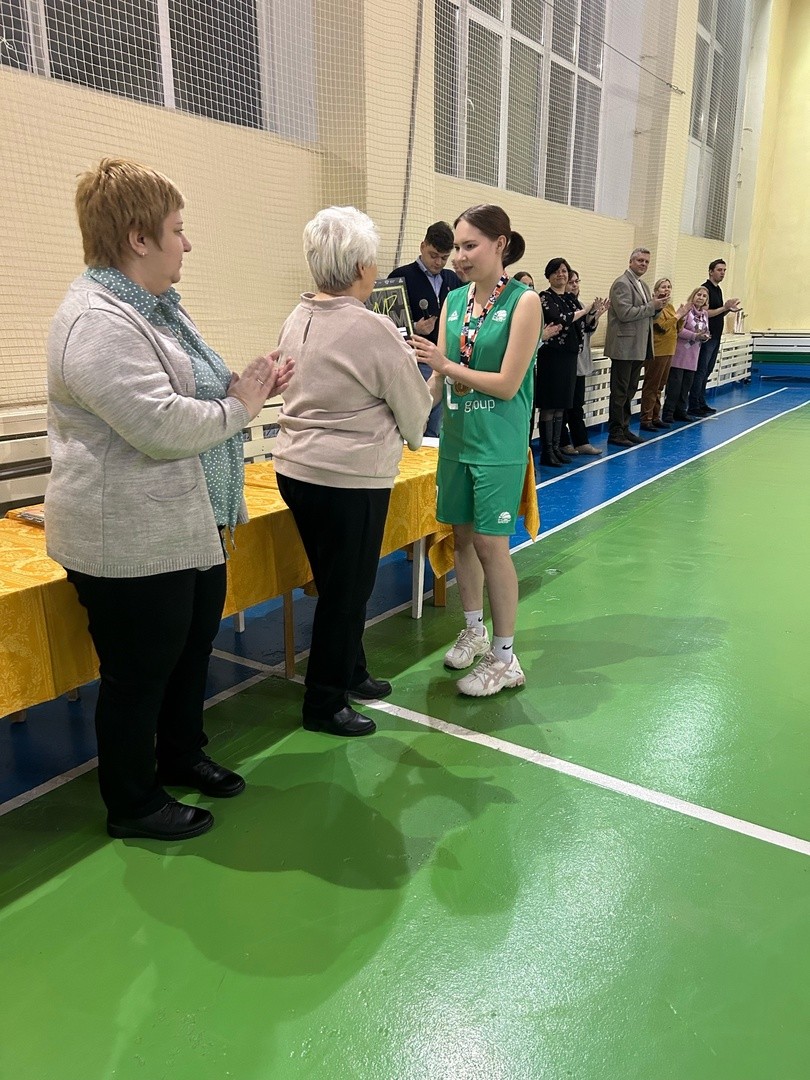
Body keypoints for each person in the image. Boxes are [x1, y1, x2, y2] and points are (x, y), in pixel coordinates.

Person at [45, 158, 294, 841]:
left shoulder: (154, 309)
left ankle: (181, 753)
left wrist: (244, 384)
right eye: (177, 230)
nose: (188, 243)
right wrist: (243, 405)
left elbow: (195, 387)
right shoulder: (97, 322)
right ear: (138, 238)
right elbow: (162, 423)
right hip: (128, 537)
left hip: (186, 522)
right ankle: (132, 803)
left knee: (187, 652)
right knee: (138, 673)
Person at [273, 207, 432, 737]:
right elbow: (414, 416)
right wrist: (437, 379)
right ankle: (324, 702)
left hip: (296, 468)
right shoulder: (372, 328)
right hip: (347, 478)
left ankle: (351, 669)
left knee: (335, 580)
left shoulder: (297, 316)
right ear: (363, 266)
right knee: (347, 591)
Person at [411, 204, 542, 697]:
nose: (460, 257)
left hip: (498, 443)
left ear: (500, 244)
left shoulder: (525, 302)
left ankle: (506, 658)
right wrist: (407, 409)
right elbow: (437, 379)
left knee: (491, 544)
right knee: (462, 539)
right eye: (457, 248)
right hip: (456, 441)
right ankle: (473, 629)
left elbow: (507, 384)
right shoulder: (454, 300)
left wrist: (444, 365)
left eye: (470, 246)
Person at [390, 222, 462, 437]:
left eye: (444, 257)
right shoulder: (400, 276)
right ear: (422, 246)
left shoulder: (452, 279)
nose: (438, 262)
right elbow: (386, 325)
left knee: (438, 425)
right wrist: (415, 328)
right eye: (433, 255)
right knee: (415, 421)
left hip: (443, 361)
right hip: (414, 362)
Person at [603, 247, 666, 447]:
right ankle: (615, 432)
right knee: (620, 392)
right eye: (640, 260)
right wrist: (651, 306)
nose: (643, 264)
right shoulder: (622, 283)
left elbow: (646, 314)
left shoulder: (643, 285)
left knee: (629, 391)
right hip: (624, 347)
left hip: (638, 346)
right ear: (630, 262)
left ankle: (624, 428)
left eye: (646, 261)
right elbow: (625, 314)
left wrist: (658, 308)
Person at [560, 269, 608, 457]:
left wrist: (595, 316)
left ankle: (581, 441)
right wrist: (587, 314)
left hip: (580, 362)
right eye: (571, 282)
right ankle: (563, 442)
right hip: (565, 363)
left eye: (577, 282)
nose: (574, 285)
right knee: (563, 407)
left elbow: (587, 331)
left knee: (577, 404)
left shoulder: (580, 305)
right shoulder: (560, 306)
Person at [688, 259, 741, 416]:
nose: (722, 273)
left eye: (724, 270)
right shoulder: (706, 289)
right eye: (719, 270)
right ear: (711, 271)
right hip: (706, 336)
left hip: (716, 335)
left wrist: (728, 309)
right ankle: (694, 404)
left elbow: (717, 313)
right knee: (701, 370)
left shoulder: (718, 290)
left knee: (708, 370)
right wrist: (724, 308)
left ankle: (701, 401)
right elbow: (705, 313)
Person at [639, 278, 689, 431]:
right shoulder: (655, 306)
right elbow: (662, 327)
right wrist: (677, 316)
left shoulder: (670, 307)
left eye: (668, 287)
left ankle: (655, 416)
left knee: (660, 386)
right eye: (663, 287)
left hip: (669, 349)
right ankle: (646, 418)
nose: (666, 289)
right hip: (657, 350)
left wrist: (682, 317)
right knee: (652, 385)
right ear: (656, 291)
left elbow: (676, 328)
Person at [662, 286, 711, 424]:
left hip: (694, 354)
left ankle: (681, 411)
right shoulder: (685, 310)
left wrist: (705, 336)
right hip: (680, 353)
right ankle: (668, 412)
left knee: (686, 386)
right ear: (693, 295)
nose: (701, 298)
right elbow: (678, 330)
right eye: (698, 295)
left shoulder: (705, 314)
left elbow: (705, 330)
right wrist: (695, 336)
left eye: (704, 296)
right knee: (675, 386)